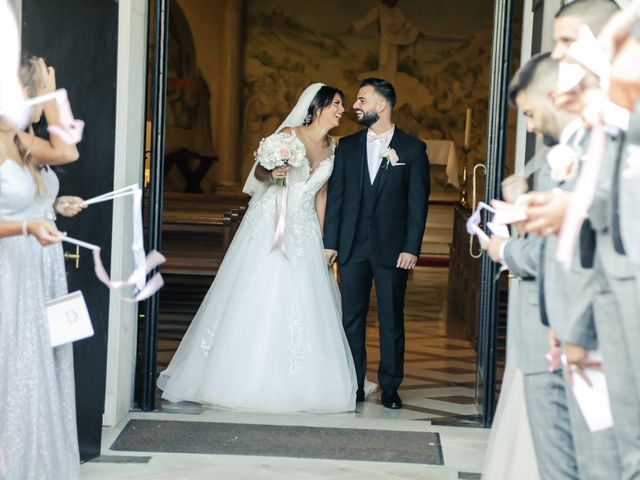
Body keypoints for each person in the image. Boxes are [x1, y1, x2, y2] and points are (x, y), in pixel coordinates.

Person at [158, 83, 361, 413]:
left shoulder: (333, 146)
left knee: (304, 299)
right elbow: (258, 172)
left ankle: (301, 382)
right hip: (272, 224)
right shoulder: (287, 136)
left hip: (305, 228)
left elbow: (322, 195)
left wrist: (324, 241)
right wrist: (275, 172)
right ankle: (242, 376)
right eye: (337, 104)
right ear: (317, 106)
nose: (341, 110)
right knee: (261, 293)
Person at [323, 78, 430, 409]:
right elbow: (337, 197)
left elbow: (417, 204)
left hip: (393, 249)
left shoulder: (413, 149)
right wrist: (331, 242)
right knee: (350, 318)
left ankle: (390, 386)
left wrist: (411, 247)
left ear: (381, 105)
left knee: (391, 318)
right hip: (353, 247)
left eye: (361, 100)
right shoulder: (348, 146)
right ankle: (354, 383)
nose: (355, 106)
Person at [0, 117, 79, 479]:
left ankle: (37, 457)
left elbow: (26, 199)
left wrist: (56, 205)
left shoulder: (25, 140)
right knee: (14, 359)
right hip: (10, 265)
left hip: (42, 268)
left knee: (40, 362)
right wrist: (28, 226)